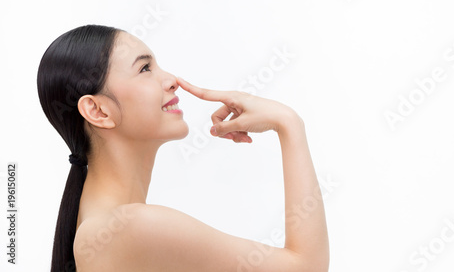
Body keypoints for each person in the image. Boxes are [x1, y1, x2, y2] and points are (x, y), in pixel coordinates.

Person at [37, 24, 330, 272]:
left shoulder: (103, 225)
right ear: (98, 111)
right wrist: (289, 124)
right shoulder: (128, 227)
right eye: (145, 68)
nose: (171, 80)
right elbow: (306, 267)